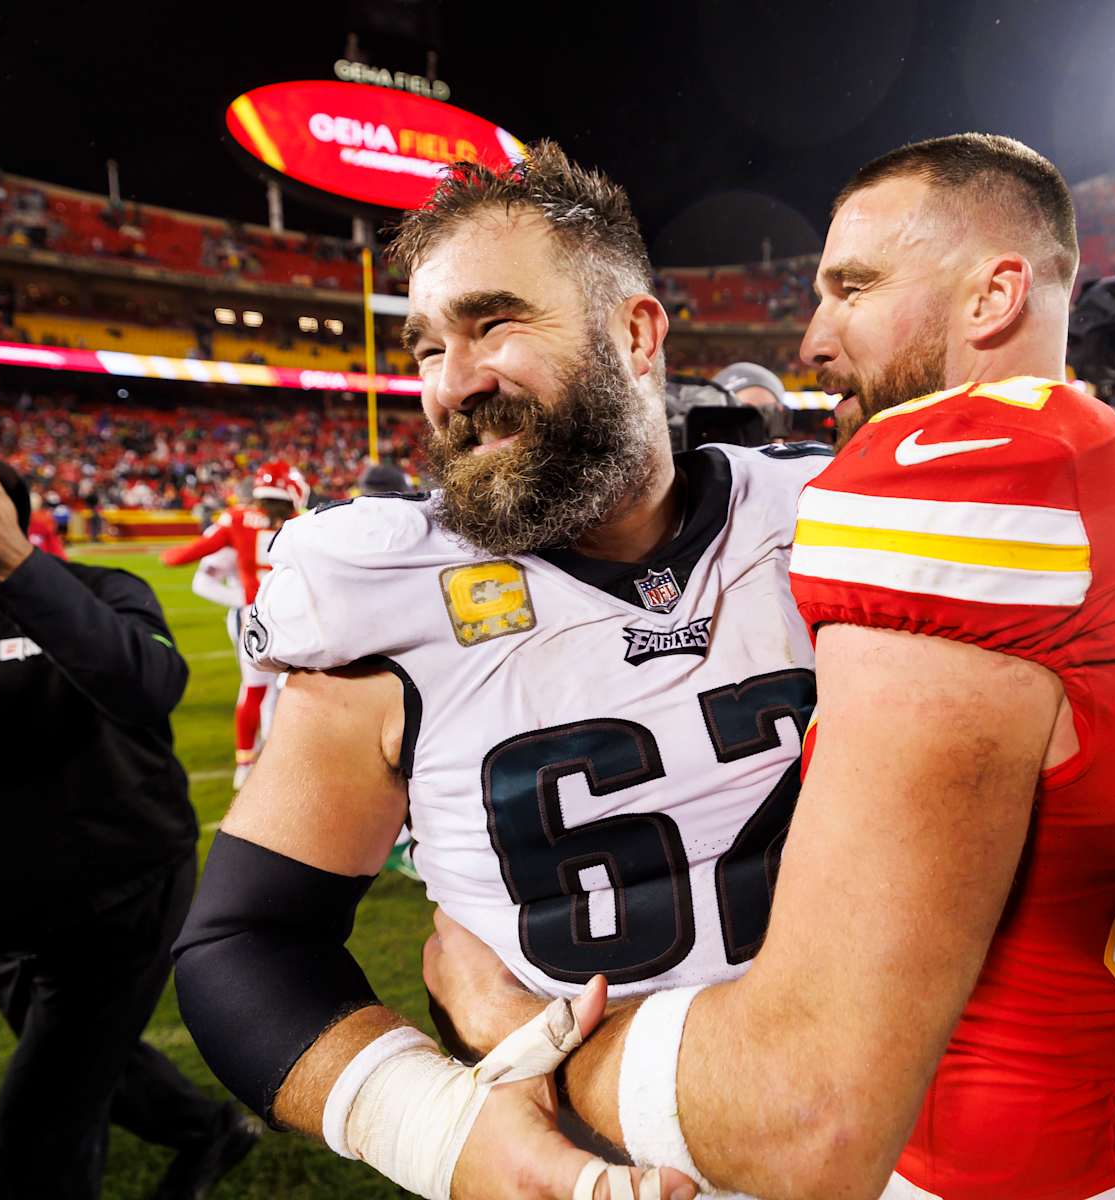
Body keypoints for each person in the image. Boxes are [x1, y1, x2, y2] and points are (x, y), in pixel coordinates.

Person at [426, 132, 1115, 1199]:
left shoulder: (948, 481)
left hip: (973, 1169)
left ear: (994, 295)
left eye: (853, 288)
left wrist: (520, 1027)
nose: (815, 336)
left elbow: (802, 1110)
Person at [171, 142, 831, 1200]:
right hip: (591, 1167)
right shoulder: (381, 591)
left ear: (636, 332)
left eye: (494, 325)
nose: (452, 383)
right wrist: (439, 1128)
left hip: (889, 1126)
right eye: (428, 346)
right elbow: (247, 939)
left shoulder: (826, 513)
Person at [0, 436, 257, 1200]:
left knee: (38, 1125)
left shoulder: (104, 593)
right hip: (1, 908)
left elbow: (149, 684)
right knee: (92, 1061)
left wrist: (16, 564)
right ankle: (210, 1129)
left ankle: (201, 1133)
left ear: (8, 507)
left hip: (124, 892)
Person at [159, 460, 306, 789]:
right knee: (289, 690)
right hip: (295, 618)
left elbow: (187, 555)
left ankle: (245, 762)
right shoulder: (304, 523)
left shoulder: (237, 518)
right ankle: (282, 755)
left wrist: (172, 556)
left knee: (254, 689)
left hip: (254, 618)